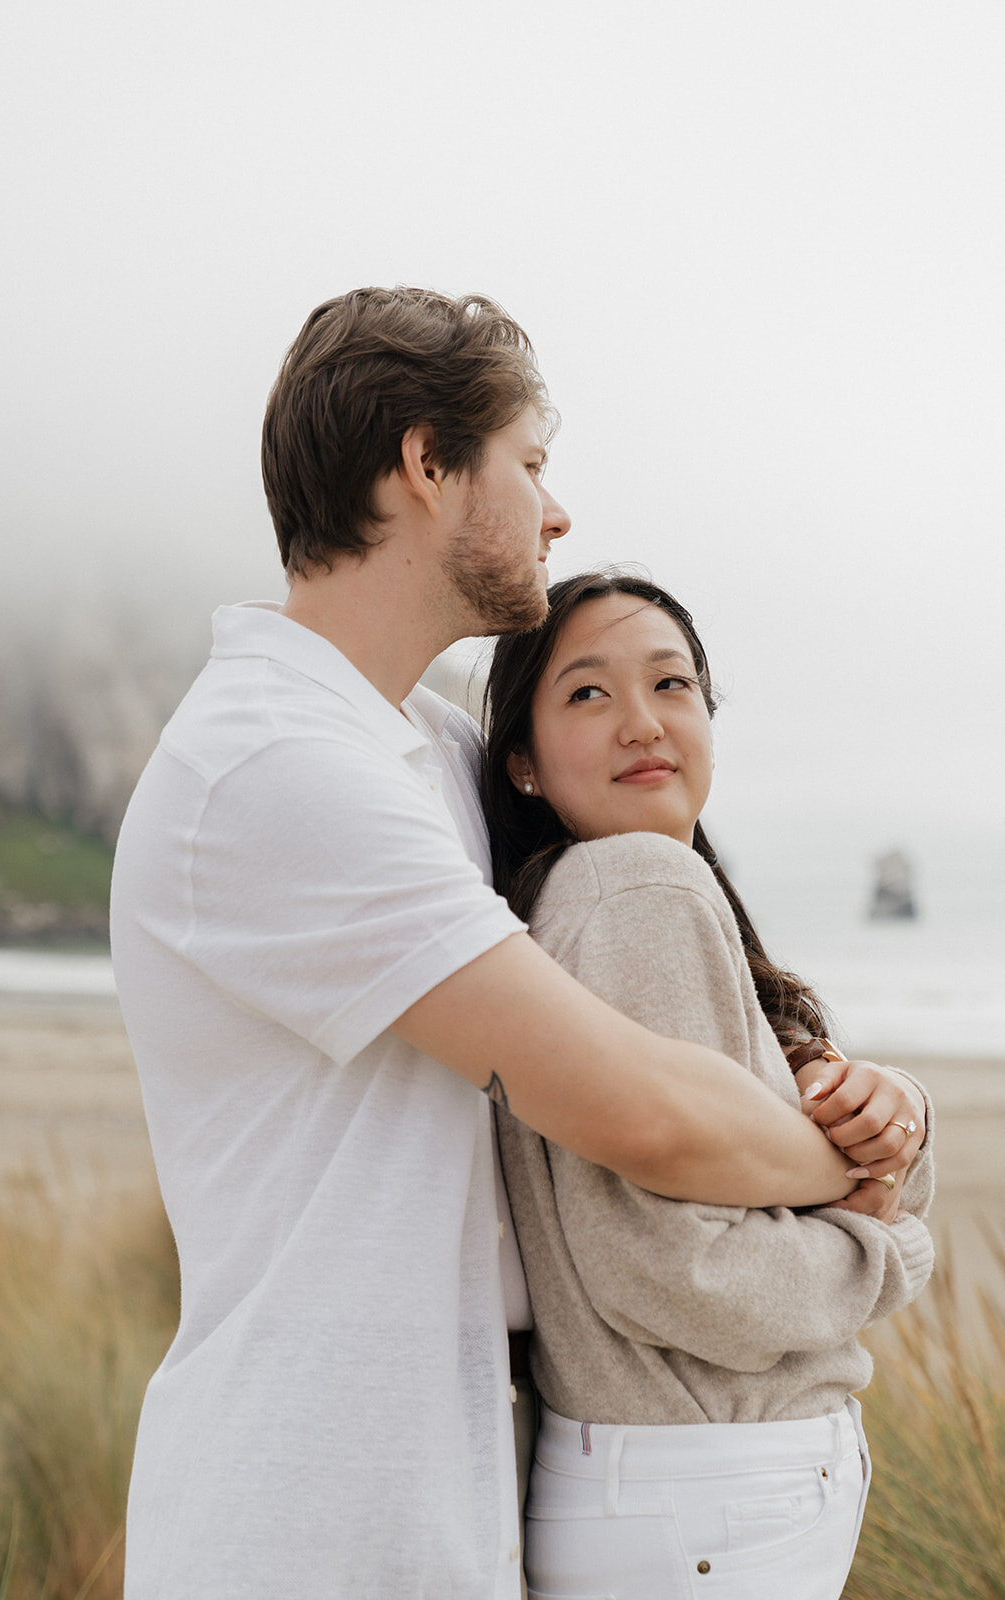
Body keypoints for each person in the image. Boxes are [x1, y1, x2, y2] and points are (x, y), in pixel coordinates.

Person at [109, 288, 925, 1600]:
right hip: (306, 1526)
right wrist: (854, 1171)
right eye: (530, 465)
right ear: (424, 466)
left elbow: (646, 977)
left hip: (465, 1493)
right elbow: (635, 1110)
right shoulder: (274, 769)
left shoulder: (418, 749)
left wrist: (849, 1089)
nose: (556, 513)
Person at [482, 570, 935, 1600]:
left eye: (670, 684)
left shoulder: (574, 897)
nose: (641, 722)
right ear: (521, 761)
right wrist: (883, 1251)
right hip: (704, 1490)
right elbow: (673, 1273)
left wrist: (891, 1103)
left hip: (672, 1493)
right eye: (587, 694)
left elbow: (765, 1167)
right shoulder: (634, 884)